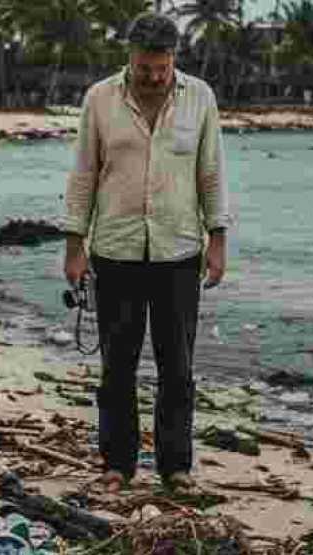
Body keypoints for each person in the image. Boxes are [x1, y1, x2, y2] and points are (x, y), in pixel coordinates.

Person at [62, 12, 232, 493]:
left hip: (179, 253)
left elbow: (211, 172)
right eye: (145, 68)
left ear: (173, 57)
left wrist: (218, 239)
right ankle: (117, 464)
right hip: (115, 252)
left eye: (162, 67)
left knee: (177, 366)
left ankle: (176, 467)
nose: (154, 77)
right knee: (118, 366)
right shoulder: (99, 99)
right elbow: (83, 176)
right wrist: (75, 247)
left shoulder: (200, 98)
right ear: (130, 57)